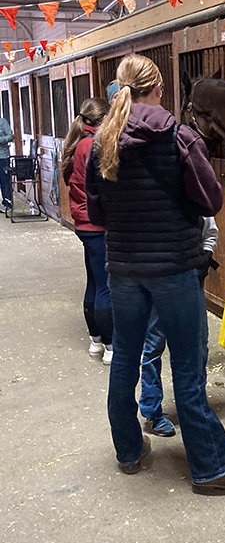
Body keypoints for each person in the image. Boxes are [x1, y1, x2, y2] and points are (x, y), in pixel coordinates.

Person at [85, 54, 225, 494]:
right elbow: (208, 201)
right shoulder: (179, 138)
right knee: (187, 368)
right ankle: (212, 469)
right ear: (158, 88)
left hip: (124, 269)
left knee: (124, 357)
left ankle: (129, 450)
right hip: (175, 271)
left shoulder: (102, 142)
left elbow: (98, 211)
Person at [139, 216, 219, 437]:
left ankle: (196, 404)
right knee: (154, 345)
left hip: (190, 278)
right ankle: (152, 411)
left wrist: (204, 258)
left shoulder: (193, 187)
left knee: (198, 345)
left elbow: (209, 229)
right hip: (157, 276)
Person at [61, 98, 114, 363]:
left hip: (83, 224)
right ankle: (111, 345)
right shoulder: (94, 145)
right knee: (105, 285)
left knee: (93, 281)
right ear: (103, 120)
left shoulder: (77, 144)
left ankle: (95, 340)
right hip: (97, 224)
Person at [0, 113, 13, 210]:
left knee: (4, 180)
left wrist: (0, 140)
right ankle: (4, 202)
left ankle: (8, 203)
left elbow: (10, 136)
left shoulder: (2, 122)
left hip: (3, 156)